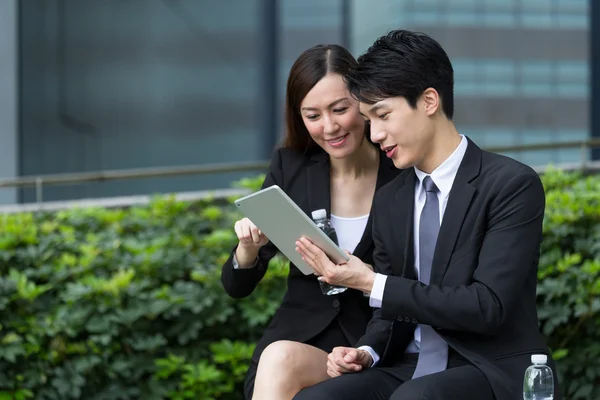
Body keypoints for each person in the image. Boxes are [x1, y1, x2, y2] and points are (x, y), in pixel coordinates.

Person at [293, 30, 561, 400]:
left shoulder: (511, 184)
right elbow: (391, 313)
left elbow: (487, 307)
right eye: (369, 120)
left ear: (429, 101)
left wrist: (371, 282)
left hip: (490, 366)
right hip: (410, 367)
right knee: (317, 398)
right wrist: (366, 352)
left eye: (383, 115)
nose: (375, 134)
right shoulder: (392, 199)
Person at [220, 43, 399, 400]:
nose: (329, 127)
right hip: (298, 339)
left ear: (363, 103)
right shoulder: (291, 167)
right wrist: (247, 251)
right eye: (312, 115)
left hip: (374, 343)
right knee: (279, 358)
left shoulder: (400, 170)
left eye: (340, 109)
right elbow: (236, 287)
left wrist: (368, 347)